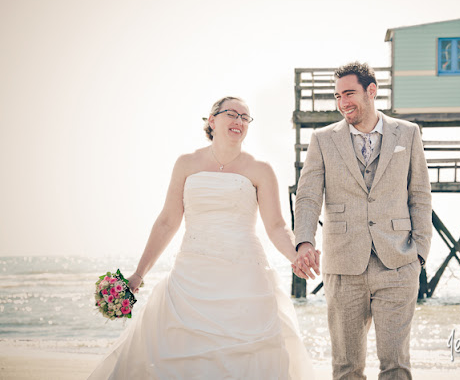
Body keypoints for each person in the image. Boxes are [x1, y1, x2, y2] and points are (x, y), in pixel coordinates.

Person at [88, 97, 314, 379]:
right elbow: (167, 221)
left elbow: (277, 226)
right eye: (232, 114)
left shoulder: (261, 170)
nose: (239, 121)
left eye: (245, 118)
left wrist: (295, 256)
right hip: (191, 276)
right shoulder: (186, 164)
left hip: (244, 276)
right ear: (212, 120)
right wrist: (137, 274)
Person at [292, 62, 432, 379]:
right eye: (338, 96)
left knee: (396, 365)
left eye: (350, 93)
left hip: (398, 263)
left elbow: (420, 195)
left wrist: (419, 255)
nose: (343, 103)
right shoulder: (323, 139)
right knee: (346, 368)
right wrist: (304, 242)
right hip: (343, 265)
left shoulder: (408, 134)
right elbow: (308, 196)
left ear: (371, 91)